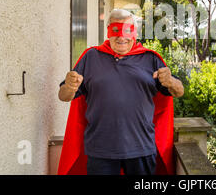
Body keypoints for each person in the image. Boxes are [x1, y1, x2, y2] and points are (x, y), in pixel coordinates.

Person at [57, 9, 184, 175]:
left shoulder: (150, 58)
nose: (121, 36)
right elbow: (64, 96)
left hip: (142, 148)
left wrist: (172, 82)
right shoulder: (91, 57)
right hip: (100, 149)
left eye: (127, 30)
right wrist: (69, 86)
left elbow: (179, 92)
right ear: (108, 30)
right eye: (115, 30)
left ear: (135, 32)